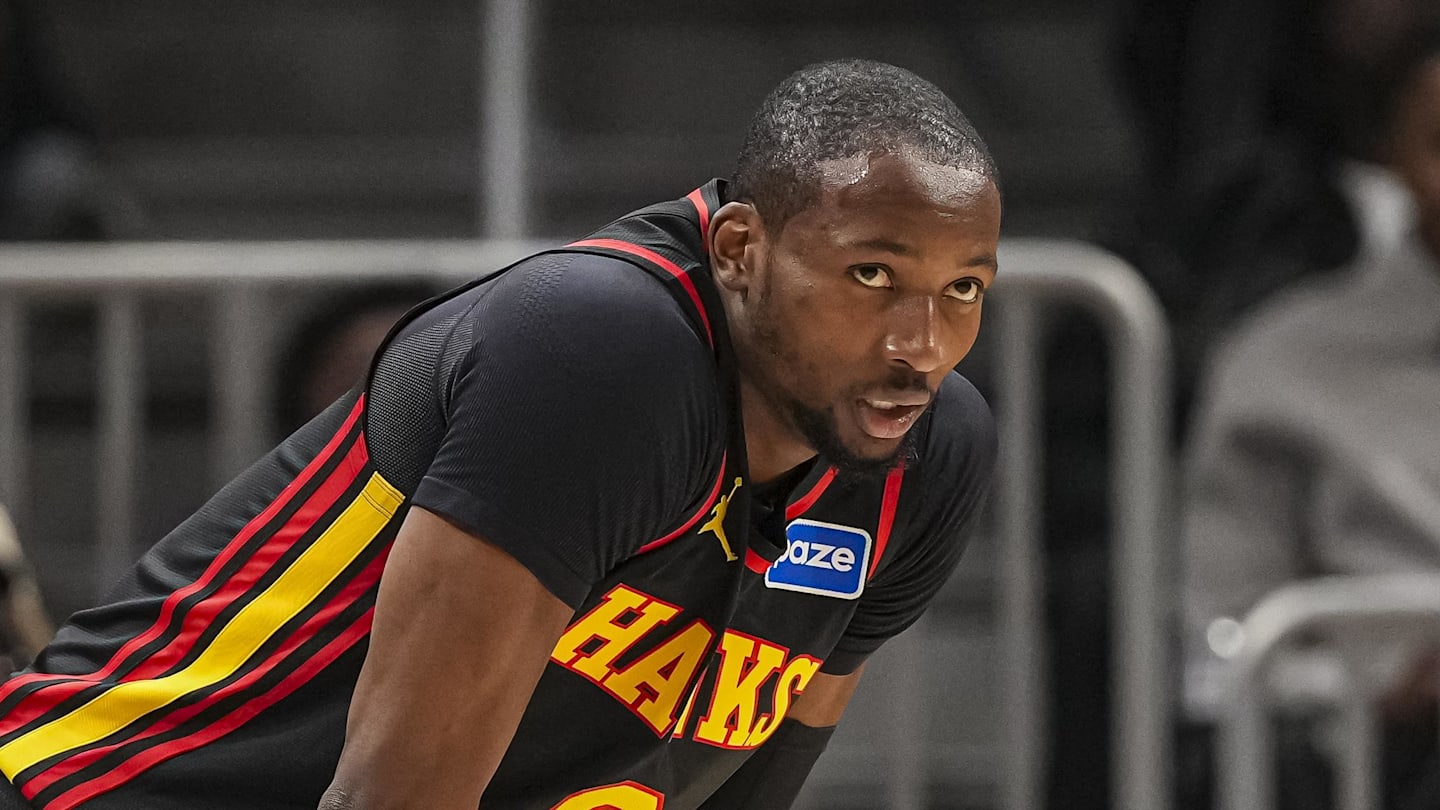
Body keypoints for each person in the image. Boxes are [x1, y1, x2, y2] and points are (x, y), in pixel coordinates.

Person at [0, 59, 1001, 810]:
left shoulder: (927, 454)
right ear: (739, 249)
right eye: (872, 276)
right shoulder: (602, 354)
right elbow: (393, 798)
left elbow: (747, 785)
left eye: (964, 291)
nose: (921, 345)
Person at [1180, 27, 1440, 810]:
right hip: (1386, 760)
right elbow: (1218, 655)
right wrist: (1389, 690)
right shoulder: (1281, 363)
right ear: (1392, 160)